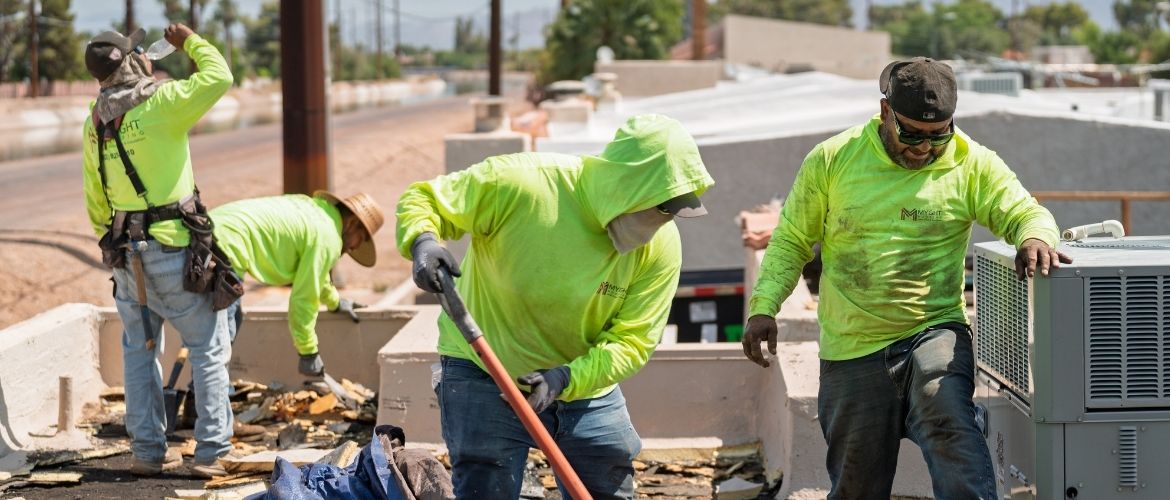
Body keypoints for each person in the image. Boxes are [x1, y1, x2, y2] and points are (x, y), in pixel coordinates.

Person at [742, 57, 1072, 499]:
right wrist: (764, 306)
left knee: (952, 427)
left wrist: (1034, 236)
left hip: (933, 329)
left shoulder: (971, 163)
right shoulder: (834, 159)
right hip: (852, 346)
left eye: (939, 135)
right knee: (857, 485)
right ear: (884, 112)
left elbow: (1023, 209)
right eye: (912, 133)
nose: (924, 148)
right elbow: (791, 241)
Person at [397, 114, 714, 498]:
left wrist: (566, 379)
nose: (666, 220)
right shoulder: (523, 184)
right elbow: (425, 199)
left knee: (608, 481)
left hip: (584, 385)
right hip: (485, 371)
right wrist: (422, 241)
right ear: (629, 186)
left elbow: (633, 341)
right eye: (663, 207)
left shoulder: (661, 246)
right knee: (486, 484)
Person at [80, 23, 234, 477]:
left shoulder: (96, 118)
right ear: (132, 61)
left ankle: (148, 452)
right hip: (176, 250)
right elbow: (219, 75)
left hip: (127, 253)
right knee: (207, 347)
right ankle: (211, 453)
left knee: (139, 349)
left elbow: (94, 193)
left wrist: (109, 244)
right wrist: (188, 41)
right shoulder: (163, 102)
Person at [210, 192, 385, 374]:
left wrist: (335, 302)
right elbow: (304, 299)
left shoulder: (319, 215)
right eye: (361, 239)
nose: (355, 247)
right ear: (352, 224)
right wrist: (308, 352)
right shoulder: (328, 238)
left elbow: (317, 277)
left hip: (209, 229)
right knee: (220, 339)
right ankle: (207, 400)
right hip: (226, 246)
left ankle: (202, 396)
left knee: (222, 329)